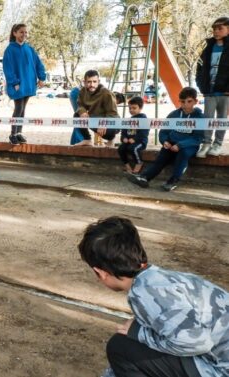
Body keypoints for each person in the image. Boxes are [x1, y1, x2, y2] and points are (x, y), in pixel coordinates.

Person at [78, 216, 229, 377]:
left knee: (120, 347)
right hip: (218, 357)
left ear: (101, 273)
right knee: (133, 343)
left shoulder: (145, 294)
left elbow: (198, 344)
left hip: (220, 369)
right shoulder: (158, 278)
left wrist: (139, 333)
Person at [128, 87, 203, 192]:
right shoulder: (174, 114)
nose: (185, 104)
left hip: (188, 145)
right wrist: (165, 141)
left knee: (184, 154)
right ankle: (144, 177)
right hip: (172, 143)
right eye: (182, 102)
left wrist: (180, 145)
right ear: (179, 101)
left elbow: (198, 138)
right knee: (162, 156)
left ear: (195, 101)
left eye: (189, 101)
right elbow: (163, 132)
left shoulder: (200, 117)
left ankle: (172, 181)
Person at [2, 23, 46, 145]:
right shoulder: (10, 49)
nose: (24, 34)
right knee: (18, 108)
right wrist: (14, 82)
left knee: (23, 109)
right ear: (14, 33)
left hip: (29, 83)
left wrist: (41, 78)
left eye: (26, 32)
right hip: (18, 84)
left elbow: (38, 64)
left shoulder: (30, 49)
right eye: (21, 32)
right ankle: (13, 134)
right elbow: (8, 68)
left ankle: (19, 133)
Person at [195, 17, 229, 158]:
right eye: (214, 28)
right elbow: (199, 68)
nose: (216, 31)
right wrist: (201, 85)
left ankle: (218, 144)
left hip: (225, 92)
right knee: (207, 118)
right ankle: (206, 143)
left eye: (220, 28)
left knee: (222, 118)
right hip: (209, 91)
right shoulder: (207, 49)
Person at [74, 70, 120, 147]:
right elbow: (80, 105)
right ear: (84, 82)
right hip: (95, 119)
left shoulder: (106, 93)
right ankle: (87, 139)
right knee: (77, 115)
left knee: (108, 132)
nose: (92, 84)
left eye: (94, 81)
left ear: (98, 82)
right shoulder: (82, 91)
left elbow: (113, 113)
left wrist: (104, 123)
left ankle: (111, 140)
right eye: (89, 82)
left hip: (109, 122)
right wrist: (83, 112)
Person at [117, 96, 149, 174]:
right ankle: (127, 165)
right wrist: (123, 138)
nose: (131, 110)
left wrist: (135, 139)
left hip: (140, 142)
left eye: (134, 108)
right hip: (129, 142)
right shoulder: (129, 120)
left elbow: (144, 132)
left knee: (133, 148)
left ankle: (139, 163)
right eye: (130, 108)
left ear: (140, 108)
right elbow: (123, 132)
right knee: (120, 149)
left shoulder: (143, 119)